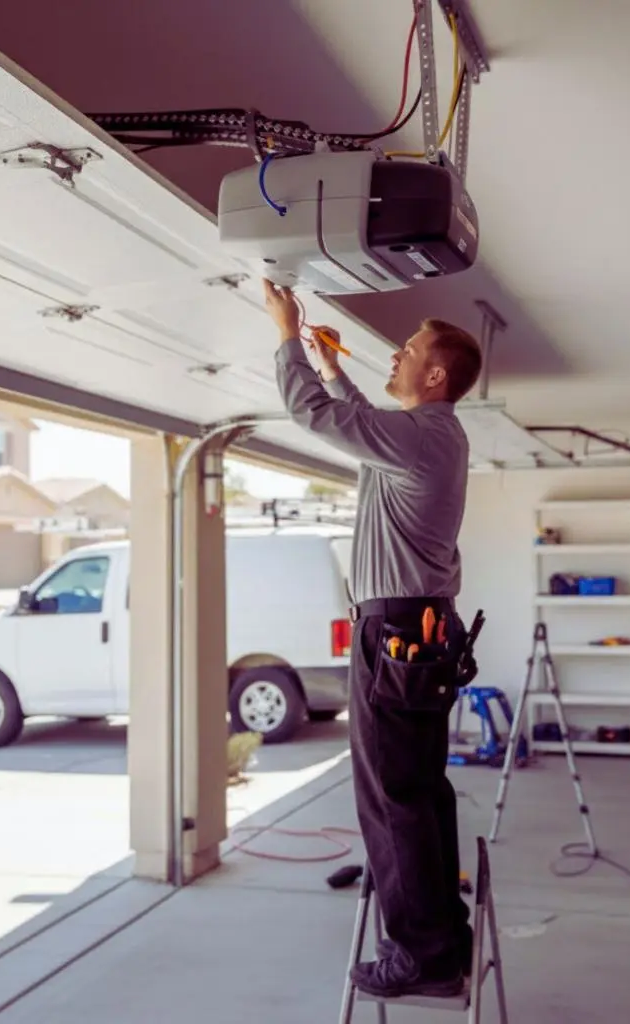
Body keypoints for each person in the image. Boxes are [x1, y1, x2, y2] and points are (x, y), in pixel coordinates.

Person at [262, 279, 483, 998]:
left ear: (437, 374)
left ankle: (420, 955)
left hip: (394, 633)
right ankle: (442, 935)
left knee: (392, 798)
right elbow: (354, 417)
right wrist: (333, 365)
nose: (397, 356)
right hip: (412, 631)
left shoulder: (422, 434)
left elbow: (313, 415)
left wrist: (287, 334)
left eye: (410, 351)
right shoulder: (428, 437)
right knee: (418, 790)